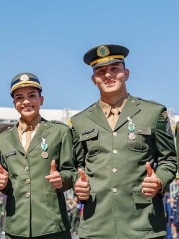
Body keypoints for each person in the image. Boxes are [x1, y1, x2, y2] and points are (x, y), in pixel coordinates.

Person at [72, 44, 178, 238]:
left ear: (126, 73)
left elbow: (169, 160)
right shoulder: (80, 121)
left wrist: (159, 181)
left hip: (143, 225)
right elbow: (75, 167)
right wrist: (76, 183)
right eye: (101, 71)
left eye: (115, 69)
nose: (108, 75)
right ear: (94, 79)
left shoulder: (153, 114)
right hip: (97, 225)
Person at [0, 73, 75, 238]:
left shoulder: (60, 132)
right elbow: (7, 181)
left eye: (32, 96)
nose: (26, 102)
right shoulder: (3, 139)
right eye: (19, 98)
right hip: (16, 226)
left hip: (52, 225)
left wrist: (62, 179)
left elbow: (72, 171)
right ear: (14, 103)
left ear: (41, 100)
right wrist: (2, 183)